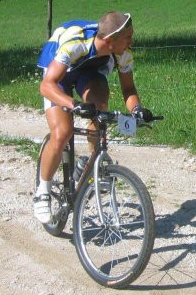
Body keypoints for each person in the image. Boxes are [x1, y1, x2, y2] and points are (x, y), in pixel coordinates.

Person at [34, 11, 153, 223]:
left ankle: (92, 163)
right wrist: (74, 105)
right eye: (127, 37)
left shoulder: (122, 53)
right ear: (110, 40)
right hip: (58, 75)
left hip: (88, 72)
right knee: (62, 132)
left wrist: (137, 110)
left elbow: (128, 88)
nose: (131, 41)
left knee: (100, 109)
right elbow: (47, 85)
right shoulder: (76, 43)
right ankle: (43, 190)